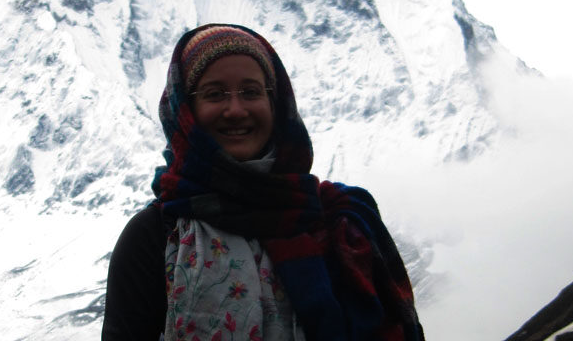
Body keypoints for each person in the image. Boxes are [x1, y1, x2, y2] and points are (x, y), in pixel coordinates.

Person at [102, 24, 424, 341]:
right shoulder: (154, 237)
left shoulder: (335, 222)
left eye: (251, 92)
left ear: (275, 102)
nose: (236, 110)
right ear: (186, 111)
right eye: (214, 94)